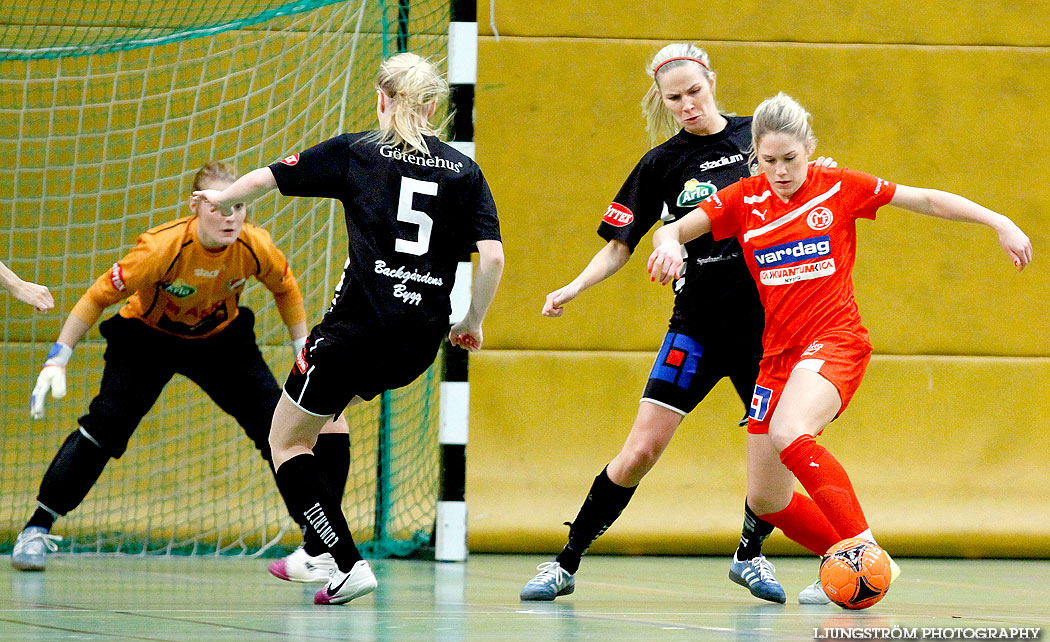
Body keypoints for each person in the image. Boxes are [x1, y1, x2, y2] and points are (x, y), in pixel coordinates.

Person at [648, 91, 1032, 601]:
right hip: (777, 356)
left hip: (835, 341)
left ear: (810, 149)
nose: (782, 171)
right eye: (770, 161)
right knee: (767, 500)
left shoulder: (839, 187)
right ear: (755, 158)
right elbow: (672, 230)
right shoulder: (743, 199)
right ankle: (852, 562)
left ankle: (863, 552)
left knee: (791, 430)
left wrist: (998, 221)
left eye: (791, 159)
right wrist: (671, 245)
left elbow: (925, 199)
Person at [521, 44, 838, 605]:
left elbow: (805, 181)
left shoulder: (753, 138)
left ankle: (753, 554)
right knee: (641, 449)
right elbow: (622, 246)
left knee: (781, 452)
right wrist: (575, 285)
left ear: (712, 81)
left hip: (768, 332)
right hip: (695, 327)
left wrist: (824, 175)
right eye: (675, 99)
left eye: (695, 92)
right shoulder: (660, 164)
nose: (688, 105)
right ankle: (565, 562)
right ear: (662, 102)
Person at [193, 51, 504, 606]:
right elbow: (493, 258)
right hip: (418, 343)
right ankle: (318, 551)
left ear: (382, 100)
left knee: (284, 440)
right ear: (433, 106)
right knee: (328, 417)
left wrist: (219, 198)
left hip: (354, 333)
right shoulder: (465, 169)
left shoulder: (357, 151)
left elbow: (263, 180)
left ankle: (344, 560)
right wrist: (471, 321)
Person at [14, 160, 350, 573]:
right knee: (106, 425)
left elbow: (286, 288)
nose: (230, 217)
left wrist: (302, 346)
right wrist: (58, 358)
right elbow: (97, 298)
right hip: (146, 338)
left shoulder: (255, 246)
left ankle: (319, 547)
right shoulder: (160, 249)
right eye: (218, 208)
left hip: (221, 340)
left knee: (278, 429)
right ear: (196, 206)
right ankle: (35, 527)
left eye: (239, 207)